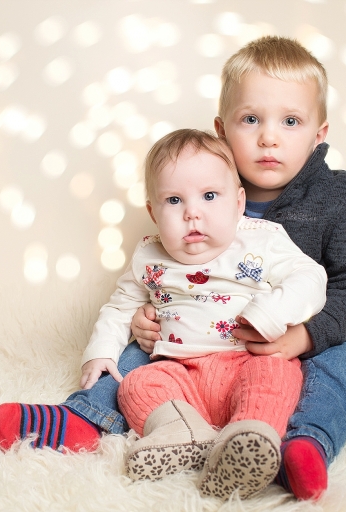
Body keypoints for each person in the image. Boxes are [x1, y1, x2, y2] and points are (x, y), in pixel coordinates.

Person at [0, 35, 346, 501]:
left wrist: (303, 337)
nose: (268, 137)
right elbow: (145, 285)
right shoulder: (196, 185)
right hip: (192, 335)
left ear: (319, 134)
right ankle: (85, 418)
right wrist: (144, 320)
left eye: (291, 121)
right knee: (138, 358)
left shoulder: (335, 195)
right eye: (251, 119)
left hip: (299, 336)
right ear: (221, 130)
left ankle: (304, 443)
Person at [97, 129, 326, 498]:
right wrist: (102, 350)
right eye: (174, 200)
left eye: (208, 196)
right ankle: (184, 434)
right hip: (180, 372)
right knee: (137, 384)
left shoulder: (260, 239)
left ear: (238, 204)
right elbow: (121, 305)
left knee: (276, 372)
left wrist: (270, 314)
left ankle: (249, 436)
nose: (192, 213)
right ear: (153, 213)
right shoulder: (150, 255)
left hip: (244, 361)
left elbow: (310, 277)